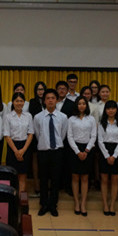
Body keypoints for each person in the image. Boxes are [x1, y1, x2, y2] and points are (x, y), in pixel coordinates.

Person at [34, 88, 68, 217]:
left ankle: (53, 205)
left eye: (53, 98)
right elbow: (38, 134)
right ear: (44, 101)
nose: (50, 100)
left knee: (55, 179)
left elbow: (62, 134)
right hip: (43, 151)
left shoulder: (63, 117)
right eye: (47, 98)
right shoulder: (38, 117)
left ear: (57, 100)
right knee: (43, 179)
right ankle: (43, 204)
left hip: (57, 151)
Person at [67, 96, 97, 216]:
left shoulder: (91, 119)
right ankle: (76, 202)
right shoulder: (71, 119)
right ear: (76, 105)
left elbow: (93, 135)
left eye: (84, 103)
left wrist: (86, 150)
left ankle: (83, 203)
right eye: (79, 103)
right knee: (75, 177)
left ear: (86, 105)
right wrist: (77, 152)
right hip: (74, 149)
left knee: (85, 177)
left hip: (87, 149)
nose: (81, 106)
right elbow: (69, 136)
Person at [97, 100, 118, 216]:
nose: (111, 110)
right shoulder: (101, 124)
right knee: (104, 180)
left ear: (116, 110)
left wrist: (114, 156)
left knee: (115, 180)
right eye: (108, 108)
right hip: (104, 151)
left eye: (113, 108)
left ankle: (112, 205)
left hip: (117, 152)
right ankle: (105, 204)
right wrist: (107, 156)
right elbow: (100, 140)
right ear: (105, 110)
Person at [3, 92, 34, 192]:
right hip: (12, 147)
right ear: (13, 102)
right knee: (12, 175)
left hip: (25, 146)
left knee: (23, 175)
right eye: (17, 101)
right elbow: (7, 135)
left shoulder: (28, 116)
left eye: (21, 101)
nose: (19, 103)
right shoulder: (8, 116)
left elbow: (30, 133)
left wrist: (23, 150)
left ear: (24, 103)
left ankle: (22, 198)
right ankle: (12, 198)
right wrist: (16, 151)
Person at [28, 81, 46, 197]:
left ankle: (45, 184)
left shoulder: (48, 101)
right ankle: (36, 185)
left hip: (47, 135)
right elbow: (32, 117)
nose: (41, 92)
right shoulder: (32, 102)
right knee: (35, 159)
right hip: (35, 134)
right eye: (39, 89)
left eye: (42, 89)